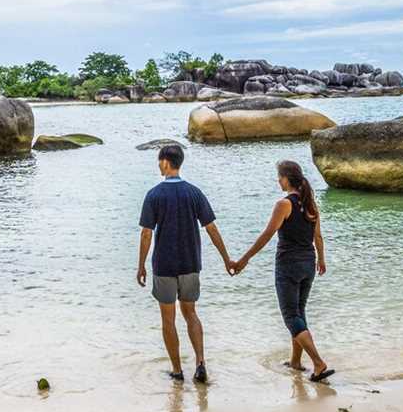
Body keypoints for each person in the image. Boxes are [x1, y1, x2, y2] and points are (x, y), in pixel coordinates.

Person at [136, 142, 235, 383]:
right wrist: (226, 258)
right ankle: (200, 362)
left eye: (159, 161)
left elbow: (146, 233)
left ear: (165, 162)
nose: (158, 165)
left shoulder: (154, 194)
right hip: (191, 264)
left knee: (168, 319)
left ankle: (178, 370)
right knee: (191, 314)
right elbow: (211, 227)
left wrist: (141, 265)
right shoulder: (194, 192)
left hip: (165, 266)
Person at [233, 160, 334, 382]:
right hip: (309, 263)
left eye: (279, 177)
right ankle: (296, 362)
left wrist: (244, 259)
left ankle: (318, 362)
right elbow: (318, 236)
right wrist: (322, 259)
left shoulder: (284, 204)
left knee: (290, 316)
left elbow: (267, 234)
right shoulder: (311, 204)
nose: (278, 180)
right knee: (299, 311)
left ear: (287, 178)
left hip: (289, 265)